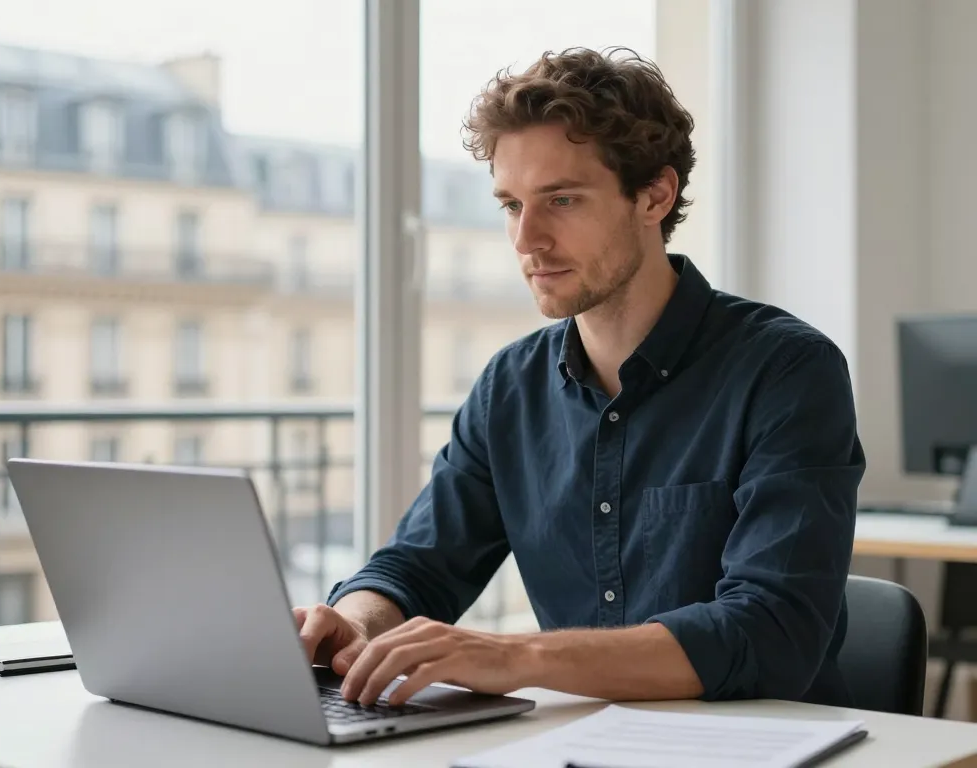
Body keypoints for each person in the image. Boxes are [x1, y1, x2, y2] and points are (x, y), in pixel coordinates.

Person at [293, 47, 865, 710]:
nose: (525, 240)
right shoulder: (511, 386)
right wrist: (356, 621)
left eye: (560, 200)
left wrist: (514, 658)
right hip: (584, 741)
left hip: (769, 746)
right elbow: (419, 566)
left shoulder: (788, 371)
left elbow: (771, 634)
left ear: (654, 195)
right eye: (511, 204)